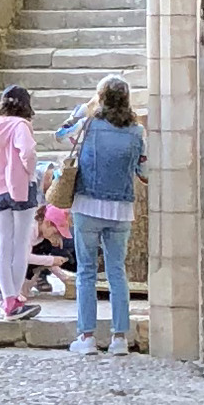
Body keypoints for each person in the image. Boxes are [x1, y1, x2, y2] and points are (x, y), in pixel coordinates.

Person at [64, 73, 147, 355]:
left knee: (86, 271)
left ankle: (86, 337)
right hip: (121, 209)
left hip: (87, 205)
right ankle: (119, 338)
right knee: (117, 272)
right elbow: (143, 172)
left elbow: (61, 134)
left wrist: (83, 109)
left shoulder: (87, 125)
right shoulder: (137, 132)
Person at [0, 82, 41, 321]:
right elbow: (28, 153)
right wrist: (30, 172)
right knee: (22, 245)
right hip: (21, 188)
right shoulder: (20, 125)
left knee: (4, 246)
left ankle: (7, 299)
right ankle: (16, 299)